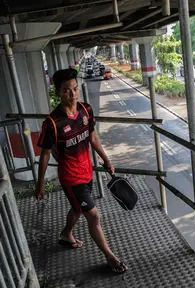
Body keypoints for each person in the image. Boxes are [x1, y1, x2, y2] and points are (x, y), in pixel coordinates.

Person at [35, 68, 128, 274]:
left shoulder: (86, 110)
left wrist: (106, 160)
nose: (73, 94)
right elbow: (45, 155)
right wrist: (40, 184)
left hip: (87, 173)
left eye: (76, 89)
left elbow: (93, 138)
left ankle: (66, 234)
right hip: (70, 178)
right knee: (93, 216)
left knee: (78, 208)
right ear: (58, 92)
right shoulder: (52, 123)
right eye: (67, 90)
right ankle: (110, 256)